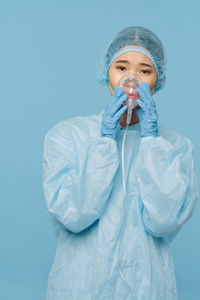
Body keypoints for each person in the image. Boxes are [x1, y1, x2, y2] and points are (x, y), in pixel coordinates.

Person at [42, 26, 198, 300]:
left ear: (157, 81)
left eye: (145, 71)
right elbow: (73, 216)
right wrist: (103, 141)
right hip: (80, 287)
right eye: (122, 68)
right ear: (107, 73)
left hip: (148, 289)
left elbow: (163, 222)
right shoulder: (67, 136)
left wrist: (152, 142)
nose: (132, 80)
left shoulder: (176, 147)